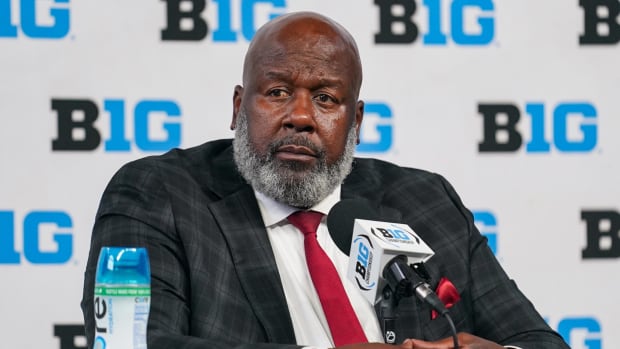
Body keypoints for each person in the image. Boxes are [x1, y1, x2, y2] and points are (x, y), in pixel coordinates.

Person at [81, 11, 570, 349]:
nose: (300, 117)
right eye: (276, 92)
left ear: (355, 122)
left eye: (326, 99)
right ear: (238, 108)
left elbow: (537, 340)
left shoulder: (425, 200)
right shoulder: (160, 194)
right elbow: (134, 343)